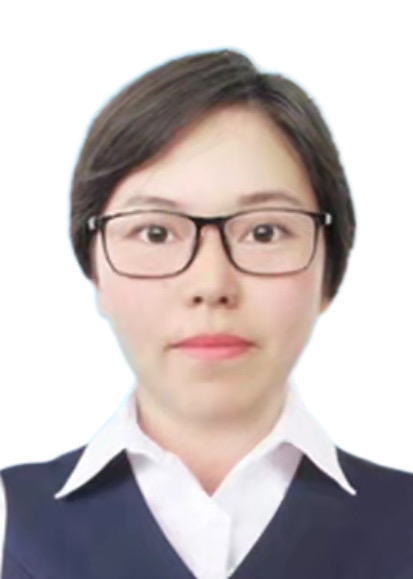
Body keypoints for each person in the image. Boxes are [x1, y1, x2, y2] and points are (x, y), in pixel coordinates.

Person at [1, 48, 412, 579]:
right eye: (156, 232)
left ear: (329, 273)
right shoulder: (13, 518)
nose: (211, 285)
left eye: (264, 231)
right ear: (95, 271)